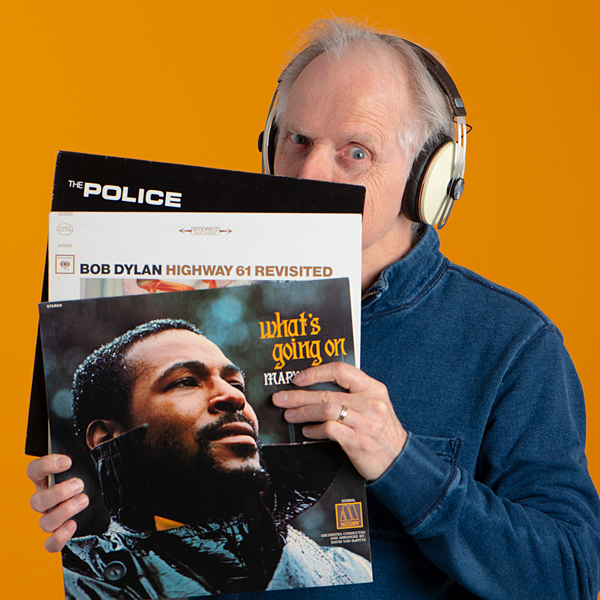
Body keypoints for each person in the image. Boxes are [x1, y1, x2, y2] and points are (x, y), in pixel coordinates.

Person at [28, 17, 600, 600]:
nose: (309, 176)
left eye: (356, 152)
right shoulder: (194, 298)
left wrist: (402, 462)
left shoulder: (512, 343)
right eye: (297, 141)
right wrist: (86, 505)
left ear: (427, 178)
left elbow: (571, 578)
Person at [38, 318, 371, 599]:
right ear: (107, 437)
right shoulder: (67, 580)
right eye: (185, 381)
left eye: (235, 382)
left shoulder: (349, 569)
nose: (233, 395)